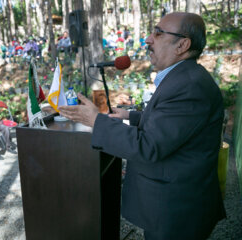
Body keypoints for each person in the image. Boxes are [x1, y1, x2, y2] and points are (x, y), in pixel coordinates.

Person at [59, 12, 225, 240]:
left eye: (158, 33)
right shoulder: (186, 77)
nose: (148, 39)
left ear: (183, 45)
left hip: (176, 211)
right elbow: (173, 122)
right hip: (175, 204)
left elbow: (148, 147)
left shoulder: (188, 86)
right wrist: (131, 116)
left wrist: (95, 121)